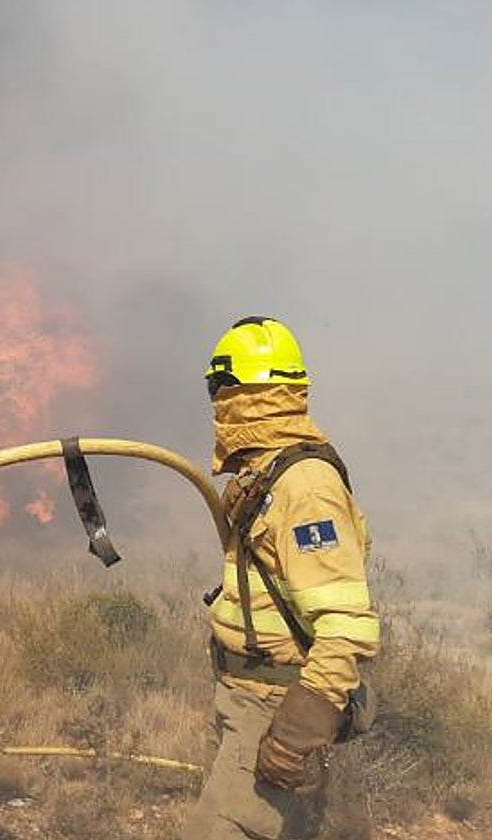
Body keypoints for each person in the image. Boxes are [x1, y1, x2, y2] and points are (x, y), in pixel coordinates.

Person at [181, 316, 380, 840]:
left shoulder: (305, 485)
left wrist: (295, 734)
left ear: (237, 392)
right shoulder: (265, 474)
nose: (213, 402)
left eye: (215, 387)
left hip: (272, 709)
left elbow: (345, 627)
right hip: (242, 697)